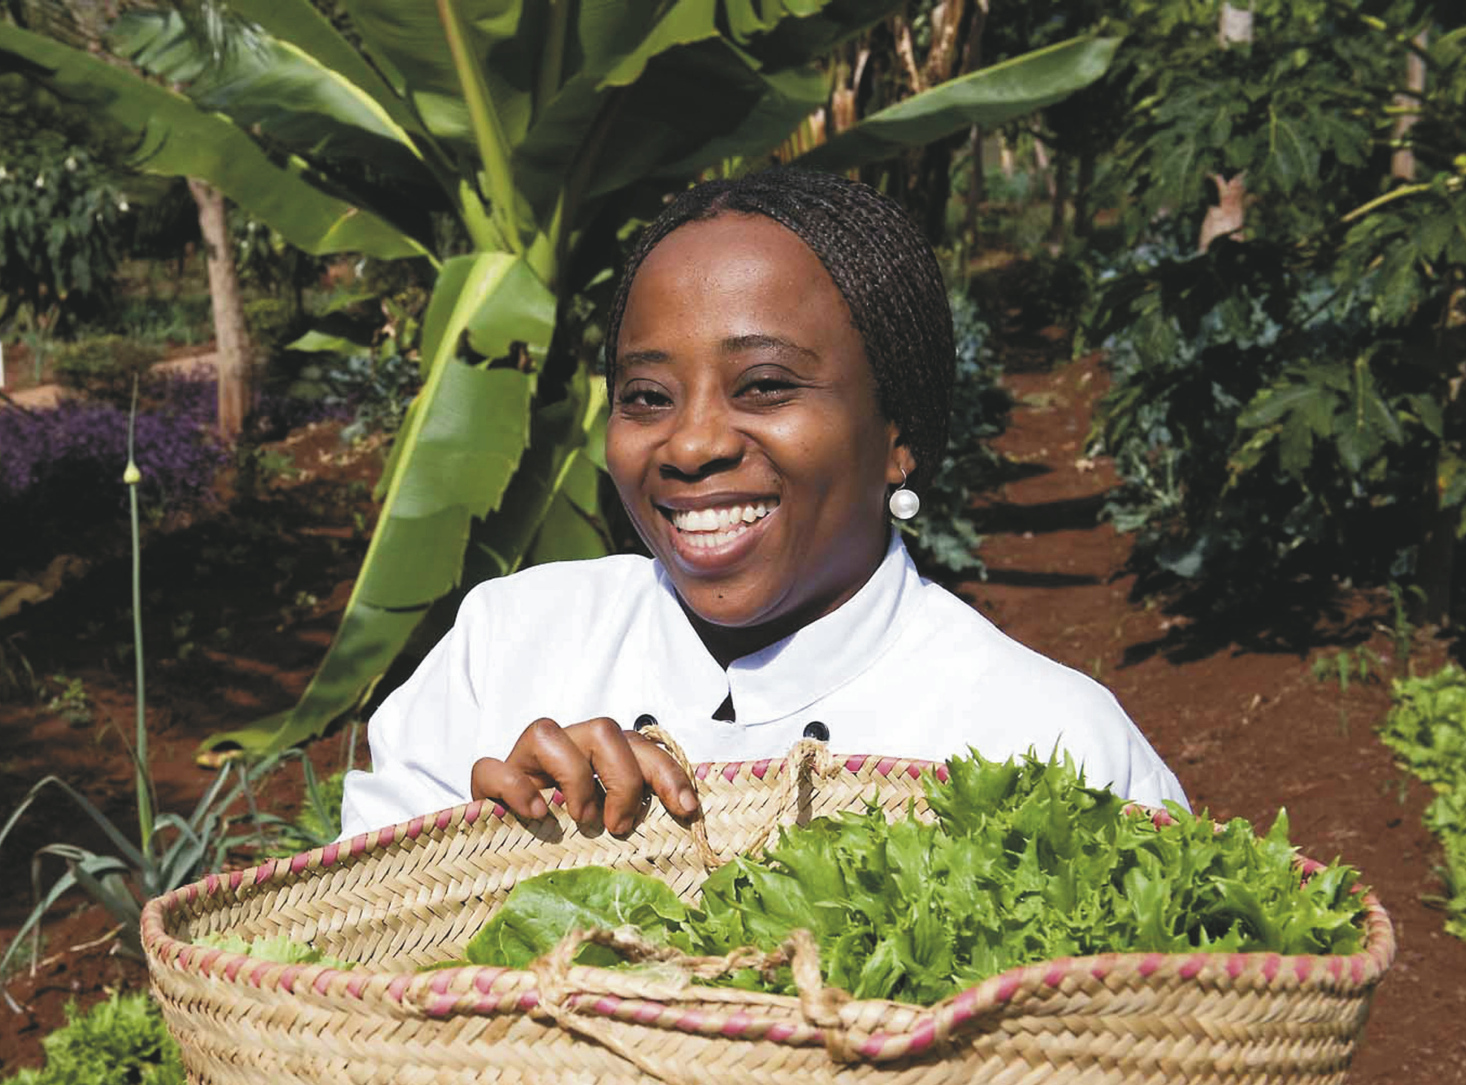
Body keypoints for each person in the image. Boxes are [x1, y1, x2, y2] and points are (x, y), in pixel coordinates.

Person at [339, 168, 1185, 840]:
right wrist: (486, 848)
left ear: (899, 432)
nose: (691, 444)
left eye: (766, 385)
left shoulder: (1051, 745)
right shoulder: (504, 652)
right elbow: (334, 966)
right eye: (646, 396)